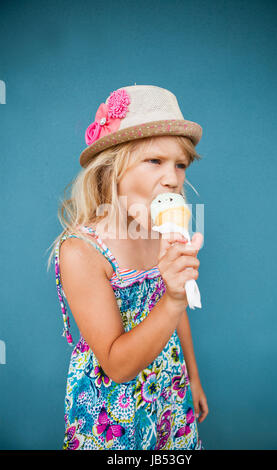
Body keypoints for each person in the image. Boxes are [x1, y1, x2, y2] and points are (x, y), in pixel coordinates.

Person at [47, 84, 209, 450]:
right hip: (112, 411)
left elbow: (175, 302)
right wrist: (172, 300)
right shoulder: (82, 251)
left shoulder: (162, 233)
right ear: (113, 166)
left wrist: (193, 377)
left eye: (180, 165)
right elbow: (117, 366)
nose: (173, 178)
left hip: (168, 385)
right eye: (155, 161)